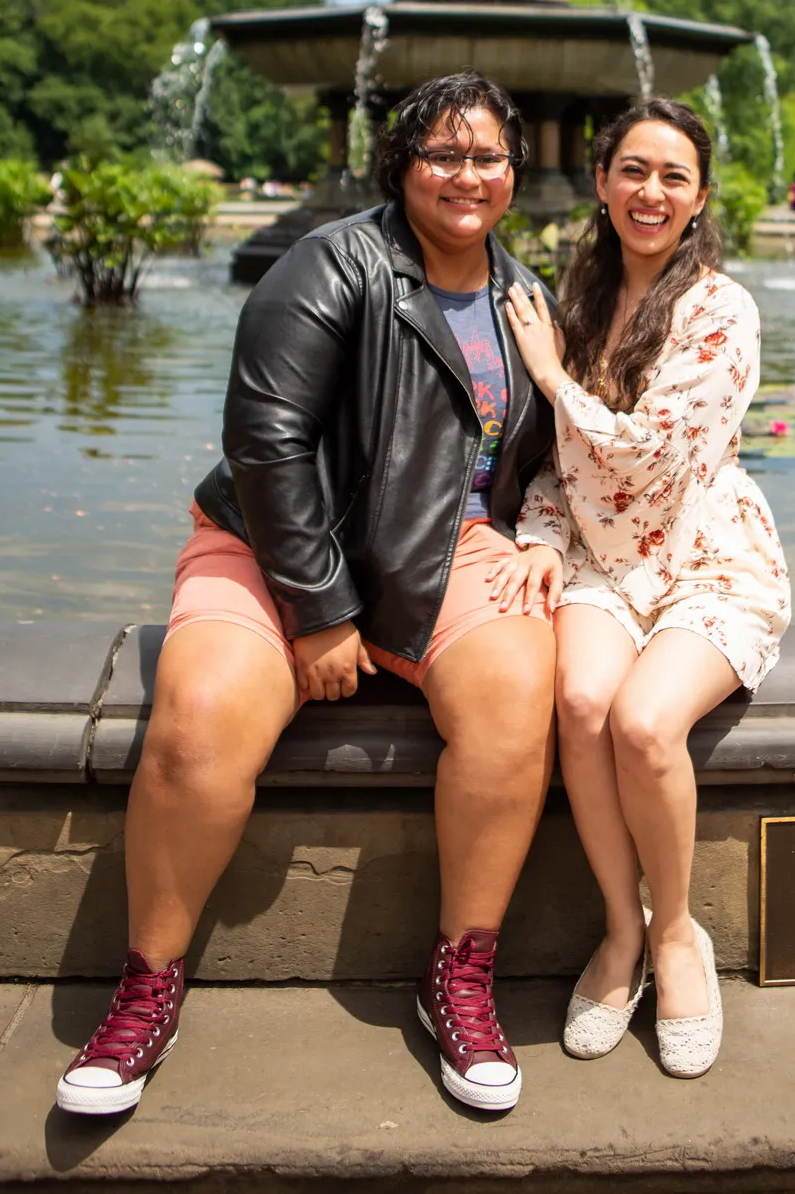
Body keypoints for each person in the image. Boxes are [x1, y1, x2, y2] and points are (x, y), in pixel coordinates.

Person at [57, 73, 562, 1119]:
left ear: (516, 175)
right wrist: (324, 609)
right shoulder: (330, 265)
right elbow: (268, 445)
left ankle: (458, 975)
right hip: (282, 544)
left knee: (520, 697)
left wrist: (546, 539)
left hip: (441, 551)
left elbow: (550, 459)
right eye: (442, 154)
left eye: (487, 157)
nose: (466, 176)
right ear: (401, 165)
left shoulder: (525, 298)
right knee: (196, 720)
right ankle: (149, 983)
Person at [496, 99, 790, 1078]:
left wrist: (547, 375)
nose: (650, 192)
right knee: (578, 701)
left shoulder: (721, 312)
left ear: (701, 196)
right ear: (602, 181)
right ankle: (622, 930)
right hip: (600, 557)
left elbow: (640, 453)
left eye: (672, 176)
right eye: (633, 169)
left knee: (644, 724)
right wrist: (538, 537)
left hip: (703, 554)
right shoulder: (579, 302)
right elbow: (556, 465)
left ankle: (678, 937)